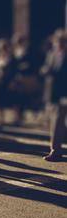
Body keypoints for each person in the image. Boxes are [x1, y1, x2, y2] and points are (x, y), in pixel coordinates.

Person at [40, 30, 67, 161]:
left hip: (64, 93)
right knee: (56, 121)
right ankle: (56, 150)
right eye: (57, 42)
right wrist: (45, 70)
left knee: (57, 122)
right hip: (53, 93)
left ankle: (55, 151)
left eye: (62, 42)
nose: (59, 44)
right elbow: (47, 70)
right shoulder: (52, 55)